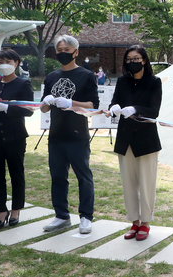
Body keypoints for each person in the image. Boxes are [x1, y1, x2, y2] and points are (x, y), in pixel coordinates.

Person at [40, 35, 99, 234]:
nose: (62, 53)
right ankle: (61, 215)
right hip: (56, 135)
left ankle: (86, 217)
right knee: (57, 176)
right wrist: (46, 102)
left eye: (66, 49)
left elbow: (92, 106)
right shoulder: (51, 77)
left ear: (76, 51)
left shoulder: (86, 75)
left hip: (77, 134)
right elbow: (43, 109)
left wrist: (71, 104)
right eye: (59, 50)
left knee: (83, 176)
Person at [108, 45, 162, 241]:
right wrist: (113, 107)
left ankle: (145, 223)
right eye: (129, 59)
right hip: (125, 140)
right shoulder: (122, 81)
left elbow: (154, 110)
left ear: (145, 60)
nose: (133, 62)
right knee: (128, 184)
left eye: (137, 58)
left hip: (146, 140)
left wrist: (135, 109)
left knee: (147, 184)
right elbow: (114, 102)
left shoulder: (154, 82)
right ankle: (134, 222)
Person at [0, 50, 34, 228]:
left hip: (15, 136)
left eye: (7, 61)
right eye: (0, 61)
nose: (3, 64)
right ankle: (1, 211)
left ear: (16, 63)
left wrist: (5, 107)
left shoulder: (23, 84)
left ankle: (15, 210)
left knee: (16, 174)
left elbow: (28, 110)